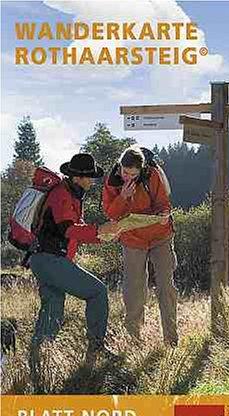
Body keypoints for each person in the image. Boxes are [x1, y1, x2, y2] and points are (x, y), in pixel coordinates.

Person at [29, 153, 121, 390]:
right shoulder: (62, 195)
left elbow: (72, 233)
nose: (92, 182)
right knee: (97, 292)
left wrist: (103, 237)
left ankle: (37, 365)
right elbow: (68, 230)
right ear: (79, 177)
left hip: (44, 260)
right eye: (90, 178)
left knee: (53, 311)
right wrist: (100, 229)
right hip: (51, 261)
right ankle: (96, 348)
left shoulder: (69, 193)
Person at [103, 146, 178, 347]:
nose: (127, 177)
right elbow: (111, 214)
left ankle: (171, 340)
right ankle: (133, 341)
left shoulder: (151, 173)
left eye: (133, 174)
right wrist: (123, 197)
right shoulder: (113, 181)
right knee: (134, 289)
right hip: (132, 239)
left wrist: (163, 215)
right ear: (120, 166)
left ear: (142, 170)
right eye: (125, 172)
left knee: (165, 286)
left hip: (160, 236)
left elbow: (163, 202)